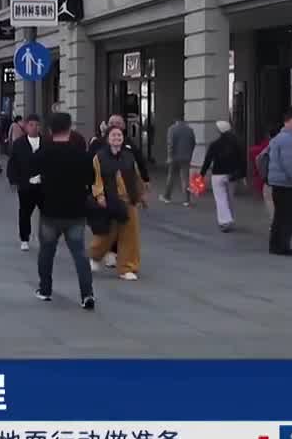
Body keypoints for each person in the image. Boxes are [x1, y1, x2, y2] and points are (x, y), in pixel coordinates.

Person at [33, 113, 96, 309]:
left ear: (50, 130)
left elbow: (31, 173)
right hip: (76, 211)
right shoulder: (81, 154)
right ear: (70, 128)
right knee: (80, 254)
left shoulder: (44, 153)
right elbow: (91, 179)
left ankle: (45, 289)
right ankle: (87, 294)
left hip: (50, 210)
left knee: (46, 252)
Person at [88, 126, 147, 281]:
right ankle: (94, 257)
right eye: (113, 135)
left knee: (130, 236)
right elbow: (96, 179)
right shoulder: (99, 157)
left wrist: (141, 195)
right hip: (110, 200)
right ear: (108, 138)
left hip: (129, 200)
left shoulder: (129, 156)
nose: (117, 138)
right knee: (106, 234)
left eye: (119, 135)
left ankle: (127, 268)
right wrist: (99, 196)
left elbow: (136, 176)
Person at [265, 110, 292, 257]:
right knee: (288, 217)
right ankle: (283, 247)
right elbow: (289, 164)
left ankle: (275, 246)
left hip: (277, 182)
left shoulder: (277, 138)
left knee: (279, 216)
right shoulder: (288, 140)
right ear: (286, 122)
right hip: (287, 183)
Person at [6, 114, 44, 253]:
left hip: (43, 185)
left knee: (46, 214)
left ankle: (44, 238)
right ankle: (24, 238)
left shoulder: (46, 143)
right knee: (25, 212)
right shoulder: (19, 144)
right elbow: (12, 163)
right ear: (26, 126)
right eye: (31, 125)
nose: (34, 127)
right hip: (25, 184)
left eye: (37, 125)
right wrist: (13, 180)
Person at [201, 120, 247, 232]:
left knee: (220, 198)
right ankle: (230, 219)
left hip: (217, 174)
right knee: (230, 198)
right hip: (232, 174)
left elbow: (207, 161)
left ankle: (225, 221)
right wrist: (243, 174)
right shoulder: (237, 143)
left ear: (219, 130)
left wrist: (202, 174)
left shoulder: (215, 144)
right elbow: (242, 160)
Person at [161, 114, 197, 206]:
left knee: (171, 177)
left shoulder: (172, 129)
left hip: (174, 157)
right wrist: (189, 153)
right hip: (186, 157)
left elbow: (170, 144)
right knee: (185, 178)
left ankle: (167, 197)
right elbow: (193, 143)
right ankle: (187, 200)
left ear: (175, 120)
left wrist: (169, 157)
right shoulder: (190, 129)